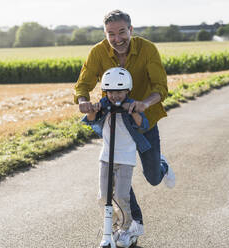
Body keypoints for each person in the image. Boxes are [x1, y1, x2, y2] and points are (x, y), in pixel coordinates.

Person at [74, 9, 175, 239]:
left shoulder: (147, 49)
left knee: (152, 177)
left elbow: (161, 87)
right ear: (105, 34)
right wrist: (83, 101)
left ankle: (162, 166)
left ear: (131, 29)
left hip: (143, 120)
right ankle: (133, 224)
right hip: (116, 121)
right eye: (111, 34)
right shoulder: (97, 52)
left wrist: (143, 103)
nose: (117, 38)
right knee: (118, 173)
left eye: (122, 32)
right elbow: (83, 83)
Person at [82, 67, 150, 247]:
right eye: (110, 91)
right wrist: (92, 108)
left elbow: (143, 124)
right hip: (106, 157)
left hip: (125, 159)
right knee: (104, 196)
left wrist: (133, 110)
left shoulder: (132, 104)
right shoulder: (103, 105)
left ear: (127, 90)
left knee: (121, 196)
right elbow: (91, 119)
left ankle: (127, 228)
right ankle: (111, 229)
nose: (115, 96)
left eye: (119, 91)